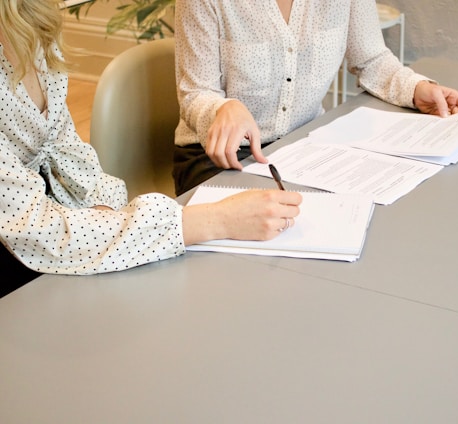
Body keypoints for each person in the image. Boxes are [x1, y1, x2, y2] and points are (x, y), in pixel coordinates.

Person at [0, 0, 302, 297]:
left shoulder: (31, 25)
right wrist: (216, 220)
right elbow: (35, 229)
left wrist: (105, 211)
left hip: (57, 236)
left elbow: (66, 152)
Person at [173, 0, 458, 195]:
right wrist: (223, 109)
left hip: (303, 148)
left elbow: (371, 59)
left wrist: (416, 88)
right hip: (218, 159)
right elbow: (196, 93)